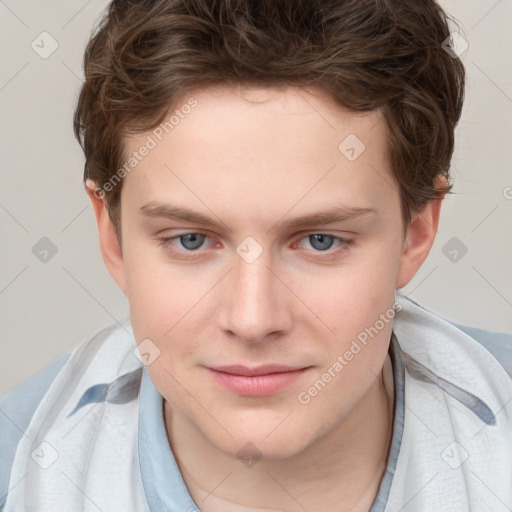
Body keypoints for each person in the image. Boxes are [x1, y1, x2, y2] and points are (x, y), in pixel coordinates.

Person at [1, 0, 511, 510]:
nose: (252, 320)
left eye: (320, 241)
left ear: (415, 232)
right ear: (112, 236)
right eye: (191, 240)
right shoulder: (16, 470)